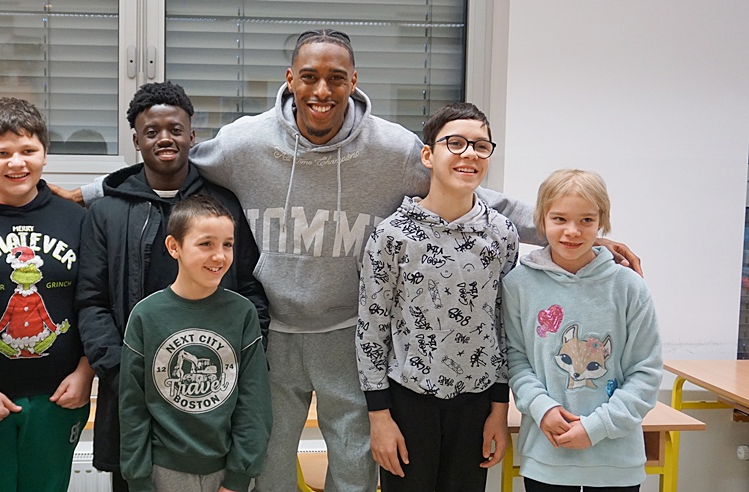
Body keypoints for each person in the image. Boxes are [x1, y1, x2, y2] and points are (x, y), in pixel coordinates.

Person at [56, 29, 641, 491]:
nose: (322, 90)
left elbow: (473, 193)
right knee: (269, 465)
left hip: (349, 334)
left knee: (355, 469)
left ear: (354, 82)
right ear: (290, 79)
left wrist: (568, 234)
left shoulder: (392, 148)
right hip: (273, 335)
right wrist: (83, 194)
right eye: (309, 76)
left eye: (336, 78)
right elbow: (171, 166)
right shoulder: (246, 142)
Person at [75, 81, 268, 492]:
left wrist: (238, 358)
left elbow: (250, 286)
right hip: (133, 395)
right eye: (152, 131)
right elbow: (92, 301)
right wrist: (122, 371)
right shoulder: (107, 212)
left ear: (192, 136)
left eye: (175, 129)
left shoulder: (224, 208)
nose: (165, 138)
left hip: (212, 398)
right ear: (137, 141)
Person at [356, 102, 519, 491]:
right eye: (456, 143)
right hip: (407, 402)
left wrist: (499, 410)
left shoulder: (502, 234)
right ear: (428, 156)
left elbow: (504, 326)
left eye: (481, 146)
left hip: (476, 403)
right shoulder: (392, 235)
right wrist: (379, 417)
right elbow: (371, 329)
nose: (469, 154)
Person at [0, 97, 95, 492]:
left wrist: (86, 372)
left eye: (28, 150)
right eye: (2, 153)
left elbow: (95, 301)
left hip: (58, 398)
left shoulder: (76, 219)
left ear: (45, 154)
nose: (17, 163)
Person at [502, 169, 662, 491]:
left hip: (616, 463)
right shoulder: (518, 284)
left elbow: (646, 372)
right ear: (541, 219)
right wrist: (542, 408)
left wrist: (597, 427)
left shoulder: (628, 287)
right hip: (547, 458)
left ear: (602, 221)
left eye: (586, 220)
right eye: (560, 219)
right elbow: (515, 359)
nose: (572, 231)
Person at [118, 194, 272, 492]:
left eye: (227, 244)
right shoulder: (146, 315)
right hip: (163, 471)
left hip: (227, 470)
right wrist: (137, 479)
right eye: (206, 244)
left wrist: (239, 477)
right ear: (173, 246)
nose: (219, 256)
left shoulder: (243, 313)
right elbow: (132, 406)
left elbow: (254, 402)